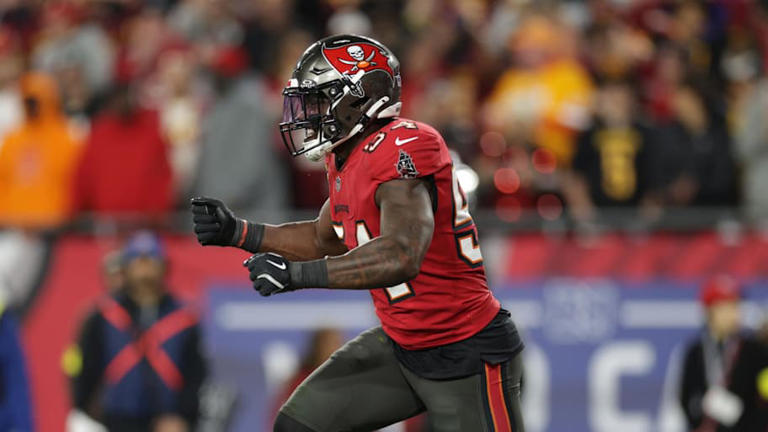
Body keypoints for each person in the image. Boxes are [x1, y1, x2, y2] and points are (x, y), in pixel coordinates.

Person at [192, 35, 524, 432]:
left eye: (319, 98)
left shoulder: (406, 143)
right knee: (299, 425)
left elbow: (402, 253)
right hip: (403, 345)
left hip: (465, 349)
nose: (309, 112)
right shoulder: (347, 154)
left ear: (359, 98)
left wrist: (298, 277)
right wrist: (240, 232)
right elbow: (323, 238)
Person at [68, 231, 206, 432]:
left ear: (164, 266)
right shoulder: (103, 315)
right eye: (137, 260)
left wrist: (184, 417)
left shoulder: (185, 318)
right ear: (126, 268)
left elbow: (196, 374)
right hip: (114, 420)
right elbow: (85, 368)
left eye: (151, 259)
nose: (144, 266)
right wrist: (87, 412)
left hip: (168, 422)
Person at [679, 276, 768, 432]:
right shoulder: (696, 352)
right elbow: (685, 396)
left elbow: (762, 396)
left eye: (736, 306)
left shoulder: (754, 350)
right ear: (710, 311)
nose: (734, 313)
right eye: (726, 307)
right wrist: (703, 408)